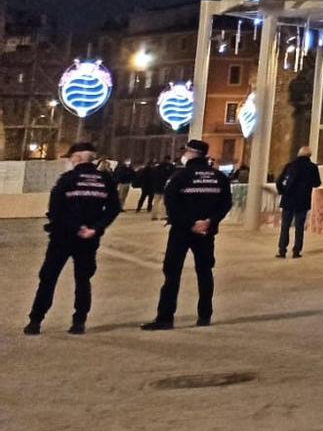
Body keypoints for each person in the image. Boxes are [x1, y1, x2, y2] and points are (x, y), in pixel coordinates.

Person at [24, 141, 123, 336]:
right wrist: (95, 228)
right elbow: (113, 208)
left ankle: (35, 321)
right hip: (89, 240)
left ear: (76, 158)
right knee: (83, 279)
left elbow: (55, 211)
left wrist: (77, 227)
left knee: (48, 278)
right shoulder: (105, 180)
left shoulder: (67, 179)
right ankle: (79, 322)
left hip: (62, 237)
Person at [143, 139, 234, 331]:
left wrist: (190, 224)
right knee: (205, 272)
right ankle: (204, 315)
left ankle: (166, 317)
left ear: (192, 154)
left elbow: (172, 204)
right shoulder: (219, 177)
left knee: (172, 273)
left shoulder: (180, 176)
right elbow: (225, 204)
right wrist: (209, 222)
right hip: (206, 232)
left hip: (181, 231)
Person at [274, 146, 321, 259]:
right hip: (303, 201)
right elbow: (317, 183)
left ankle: (282, 250)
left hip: (288, 199)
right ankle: (296, 251)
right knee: (299, 227)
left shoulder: (290, 165)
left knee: (285, 226)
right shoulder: (312, 167)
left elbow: (279, 181)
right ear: (309, 155)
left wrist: (282, 192)